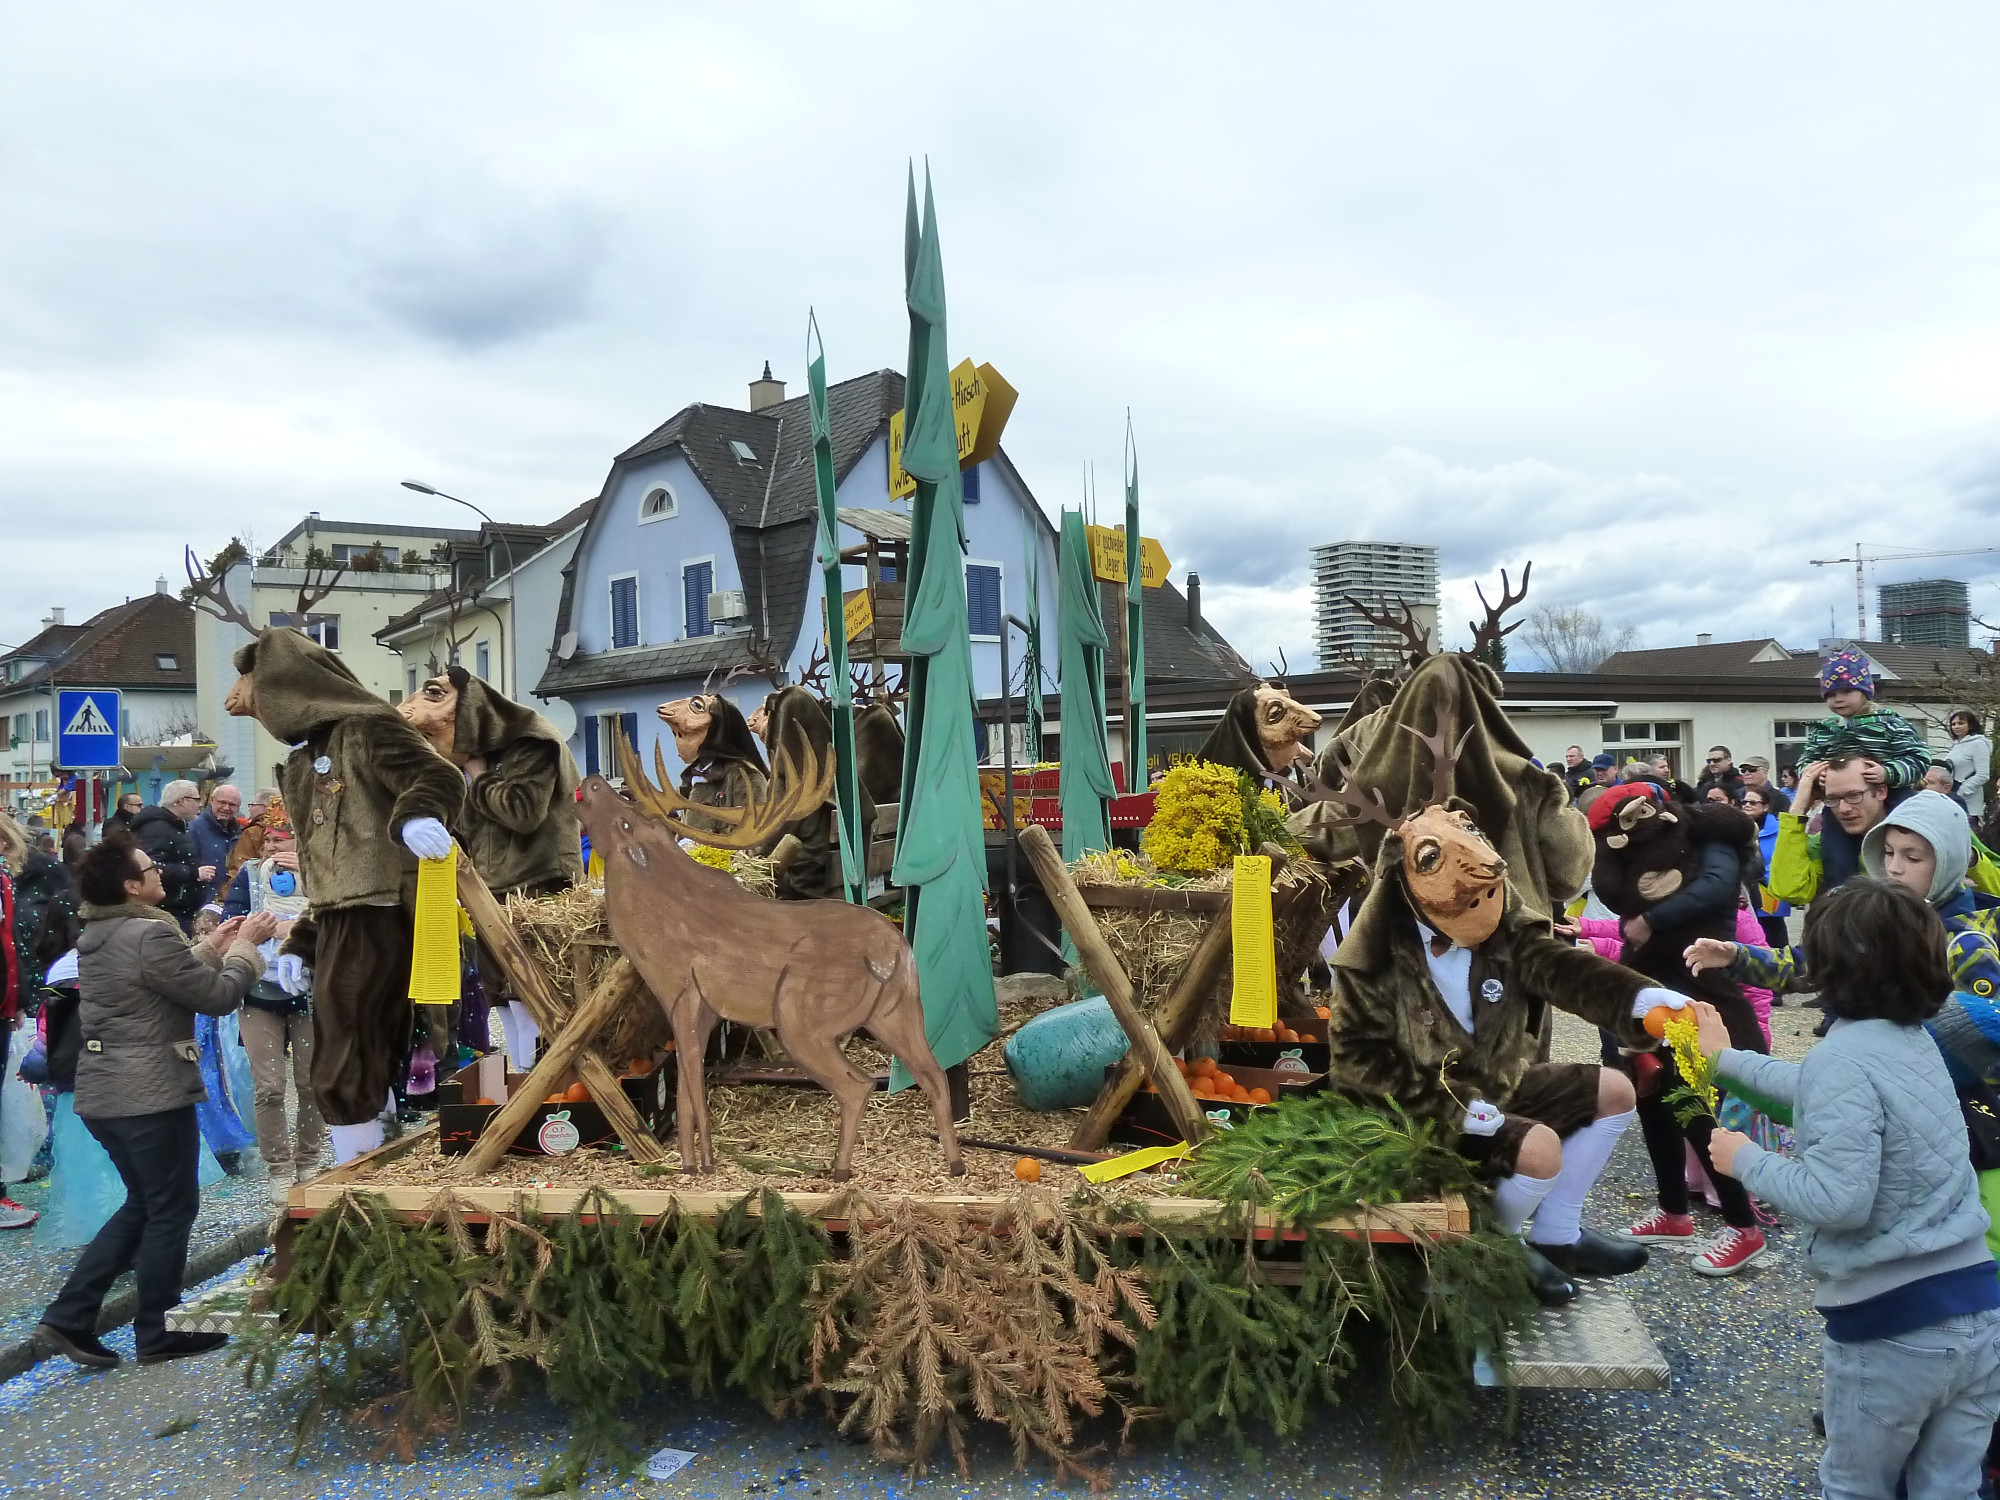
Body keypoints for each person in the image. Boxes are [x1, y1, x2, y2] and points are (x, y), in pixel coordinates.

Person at [1696, 880, 2000, 1500]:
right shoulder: (1917, 1040)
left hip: (1895, 1325)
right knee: (1949, 1487)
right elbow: (1815, 1087)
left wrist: (1746, 1159)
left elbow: (1837, 1201)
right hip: (1976, 1308)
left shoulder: (1843, 1056)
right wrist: (1727, 1060)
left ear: (1828, 967)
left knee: (1857, 1485)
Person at [221, 626, 465, 1164]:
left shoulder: (367, 728)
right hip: (340, 920)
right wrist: (305, 941)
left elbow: (438, 775)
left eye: (248, 681)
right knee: (349, 1041)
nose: (237, 698)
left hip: (380, 912)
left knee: (347, 1045)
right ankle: (368, 1157)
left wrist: (417, 815)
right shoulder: (305, 760)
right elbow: (331, 874)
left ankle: (353, 1172)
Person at [34, 836, 276, 1369]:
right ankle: (158, 1330)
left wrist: (212, 947)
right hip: (147, 1093)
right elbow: (216, 996)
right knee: (171, 1208)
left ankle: (70, 1317)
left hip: (106, 1092)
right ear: (131, 887)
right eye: (149, 869)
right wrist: (244, 950)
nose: (160, 872)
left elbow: (156, 979)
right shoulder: (148, 933)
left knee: (145, 1204)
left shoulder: (103, 931)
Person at [398, 667, 582, 1074]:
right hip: (491, 892)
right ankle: (521, 1076)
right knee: (501, 994)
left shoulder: (533, 743)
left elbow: (523, 812)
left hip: (536, 885)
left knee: (532, 990)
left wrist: (479, 775)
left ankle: (544, 1079)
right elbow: (469, 830)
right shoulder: (470, 762)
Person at [220, 800, 321, 1202]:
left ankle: (309, 1160)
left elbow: (337, 920)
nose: (273, 848)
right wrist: (264, 927)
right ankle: (278, 1167)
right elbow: (231, 923)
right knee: (269, 1087)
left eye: (282, 840)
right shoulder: (250, 875)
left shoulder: (320, 873)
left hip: (308, 991)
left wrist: (300, 920)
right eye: (269, 841)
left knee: (311, 1083)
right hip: (259, 992)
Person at [1770, 755, 1904, 906]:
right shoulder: (1823, 844)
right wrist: (1797, 809)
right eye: (1832, 799)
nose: (1843, 809)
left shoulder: (1914, 839)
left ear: (1881, 792)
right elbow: (1790, 891)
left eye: (1854, 796)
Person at [132, 782, 210, 933]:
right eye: (197, 799)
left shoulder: (175, 826)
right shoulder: (157, 828)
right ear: (182, 801)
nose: (200, 805)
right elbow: (150, 868)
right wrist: (193, 873)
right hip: (168, 912)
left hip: (178, 910)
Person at [1740, 786, 1791, 950]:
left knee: (1775, 937)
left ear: (1766, 806)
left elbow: (1785, 859)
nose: (1747, 805)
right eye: (1744, 802)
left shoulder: (1779, 829)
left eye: (1753, 802)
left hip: (1771, 892)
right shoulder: (1738, 828)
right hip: (1747, 893)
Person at [184, 785, 242, 907]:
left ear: (238, 807)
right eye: (222, 802)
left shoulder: (240, 832)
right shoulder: (193, 829)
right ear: (212, 801)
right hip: (202, 902)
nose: (226, 808)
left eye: (232, 804)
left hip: (232, 901)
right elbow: (185, 867)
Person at [1949, 711, 1992, 822]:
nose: (1956, 726)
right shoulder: (1956, 746)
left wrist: (1961, 792)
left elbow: (1983, 775)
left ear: (1970, 725)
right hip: (1953, 801)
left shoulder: (1979, 744)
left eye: (1961, 723)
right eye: (1953, 724)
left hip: (1970, 805)